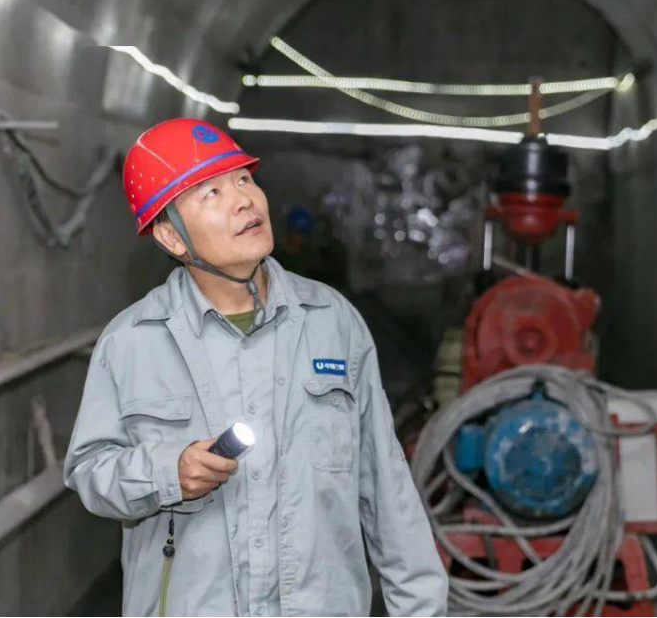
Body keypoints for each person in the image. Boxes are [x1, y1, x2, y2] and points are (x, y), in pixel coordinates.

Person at [63, 118, 448, 616]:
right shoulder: (131, 342)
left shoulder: (332, 321)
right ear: (171, 236)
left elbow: (386, 486)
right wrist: (166, 471)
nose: (244, 200)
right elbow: (89, 471)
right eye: (212, 192)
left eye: (244, 179)